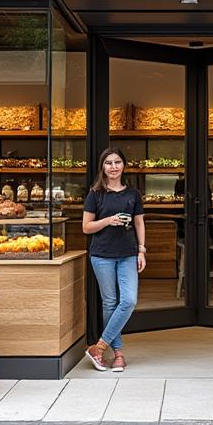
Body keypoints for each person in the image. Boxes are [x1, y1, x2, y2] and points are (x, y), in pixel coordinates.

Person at [81, 147, 146, 372]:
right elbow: (86, 227)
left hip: (128, 254)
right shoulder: (95, 194)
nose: (114, 167)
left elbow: (139, 223)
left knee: (128, 301)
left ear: (123, 165)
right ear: (103, 167)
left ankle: (98, 347)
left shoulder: (133, 194)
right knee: (109, 303)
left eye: (118, 162)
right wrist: (108, 220)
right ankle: (118, 353)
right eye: (109, 163)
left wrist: (141, 250)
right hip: (102, 255)